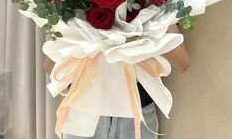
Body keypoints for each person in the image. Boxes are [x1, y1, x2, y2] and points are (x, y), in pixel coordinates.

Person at [44, 23, 190, 139]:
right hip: (84, 112)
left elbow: (182, 63)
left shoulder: (153, 3)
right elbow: (50, 65)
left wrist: (143, 27)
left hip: (136, 113)